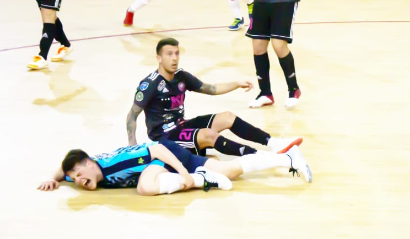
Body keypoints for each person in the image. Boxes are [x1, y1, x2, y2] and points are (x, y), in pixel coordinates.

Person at [126, 38, 302, 156]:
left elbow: (210, 89)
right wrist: (132, 146)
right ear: (159, 58)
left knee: (227, 117)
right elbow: (132, 115)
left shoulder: (181, 76)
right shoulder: (150, 84)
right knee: (209, 135)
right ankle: (260, 156)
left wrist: (236, 83)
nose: (174, 58)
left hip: (181, 126)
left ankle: (273, 143)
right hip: (165, 138)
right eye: (169, 54)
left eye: (177, 53)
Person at [37, 139, 312, 195]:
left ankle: (201, 179)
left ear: (89, 163)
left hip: (166, 156)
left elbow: (156, 151)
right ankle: (288, 159)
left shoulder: (113, 164)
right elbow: (64, 171)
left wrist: (183, 174)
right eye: (74, 177)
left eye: (78, 174)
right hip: (164, 161)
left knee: (145, 188)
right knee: (229, 170)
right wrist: (53, 178)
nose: (77, 180)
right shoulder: (86, 173)